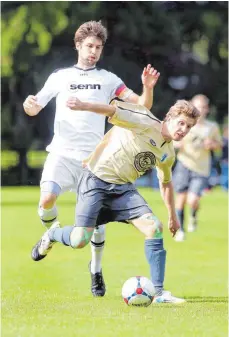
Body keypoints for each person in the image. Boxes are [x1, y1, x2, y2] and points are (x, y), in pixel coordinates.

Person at [23, 20, 160, 297]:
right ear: (78, 45)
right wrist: (30, 105)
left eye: (98, 47)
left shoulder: (109, 80)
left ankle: (95, 270)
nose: (93, 52)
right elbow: (35, 106)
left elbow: (143, 106)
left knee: (96, 224)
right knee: (47, 199)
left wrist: (147, 87)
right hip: (61, 153)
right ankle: (52, 233)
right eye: (88, 46)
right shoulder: (60, 76)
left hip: (94, 161)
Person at [30, 97, 200, 303]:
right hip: (95, 181)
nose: (183, 129)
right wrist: (84, 104)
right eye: (181, 122)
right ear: (170, 117)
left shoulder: (168, 153)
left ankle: (159, 293)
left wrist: (173, 216)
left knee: (154, 227)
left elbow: (165, 183)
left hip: (124, 190)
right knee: (79, 240)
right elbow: (112, 111)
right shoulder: (145, 121)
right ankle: (53, 234)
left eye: (189, 127)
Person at [173, 94, 222, 242]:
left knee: (192, 200)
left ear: (206, 109)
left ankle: (193, 215)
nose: (200, 109)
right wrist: (177, 144)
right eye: (197, 106)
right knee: (181, 198)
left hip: (201, 168)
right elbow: (172, 139)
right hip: (184, 163)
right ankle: (180, 230)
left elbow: (219, 146)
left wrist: (212, 145)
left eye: (203, 107)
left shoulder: (212, 127)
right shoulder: (183, 123)